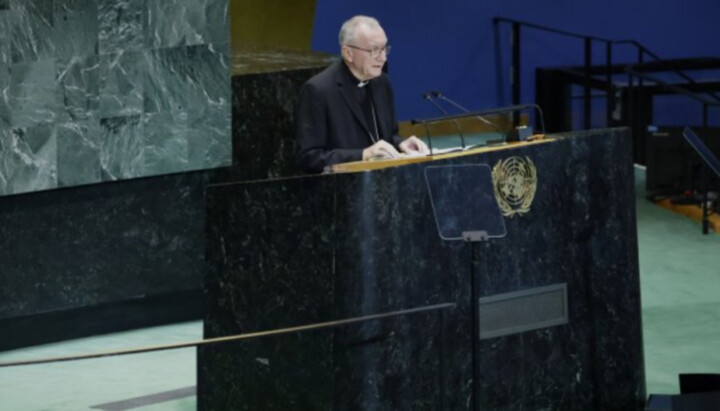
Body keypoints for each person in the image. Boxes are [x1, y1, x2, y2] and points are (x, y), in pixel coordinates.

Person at [295, 15, 429, 173]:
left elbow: (387, 136)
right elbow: (309, 158)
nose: (383, 58)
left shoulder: (382, 83)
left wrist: (401, 143)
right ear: (348, 53)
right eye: (374, 51)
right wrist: (363, 154)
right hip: (340, 191)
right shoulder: (318, 90)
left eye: (384, 49)